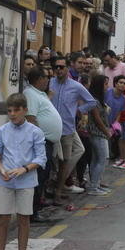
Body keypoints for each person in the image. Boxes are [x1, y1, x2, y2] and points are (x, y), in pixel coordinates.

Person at [0, 93, 47, 250]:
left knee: (24, 218)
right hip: (6, 180)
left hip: (26, 180)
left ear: (25, 110)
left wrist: (25, 169)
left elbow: (41, 157)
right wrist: (2, 170)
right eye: (10, 110)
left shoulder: (35, 131)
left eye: (16, 110)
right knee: (2, 218)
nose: (12, 114)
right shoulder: (2, 130)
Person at [49, 56, 96, 202]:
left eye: (61, 67)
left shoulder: (76, 86)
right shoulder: (50, 83)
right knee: (51, 162)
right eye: (56, 67)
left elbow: (91, 101)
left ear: (67, 68)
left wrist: (79, 110)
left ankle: (58, 190)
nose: (58, 70)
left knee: (65, 161)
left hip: (67, 129)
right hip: (50, 129)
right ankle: (51, 188)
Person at [22, 66, 63, 221]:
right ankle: (32, 212)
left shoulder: (40, 94)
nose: (49, 80)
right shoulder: (30, 93)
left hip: (48, 142)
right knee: (38, 177)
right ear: (39, 79)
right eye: (47, 77)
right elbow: (31, 118)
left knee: (44, 176)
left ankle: (37, 207)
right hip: (41, 142)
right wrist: (39, 141)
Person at [86, 74, 113, 195]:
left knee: (96, 159)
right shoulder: (94, 100)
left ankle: (95, 184)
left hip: (97, 132)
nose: (107, 86)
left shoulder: (98, 99)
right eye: (105, 83)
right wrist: (106, 131)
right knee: (102, 159)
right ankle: (93, 187)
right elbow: (97, 119)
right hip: (98, 133)